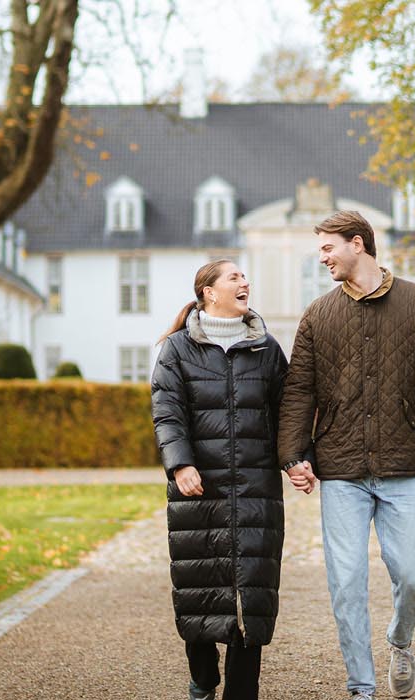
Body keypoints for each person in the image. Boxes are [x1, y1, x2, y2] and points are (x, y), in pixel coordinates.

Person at [277, 211, 415, 700]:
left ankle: (400, 641)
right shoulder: (317, 315)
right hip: (341, 467)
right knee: (346, 583)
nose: (321, 258)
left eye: (328, 248)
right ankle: (361, 687)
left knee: (413, 574)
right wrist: (292, 454)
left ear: (358, 244)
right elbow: (299, 390)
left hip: (405, 461)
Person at [151, 259, 315, 700]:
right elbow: (167, 412)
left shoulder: (266, 349)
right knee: (199, 590)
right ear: (208, 291)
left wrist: (297, 459)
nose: (246, 283)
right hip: (198, 489)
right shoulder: (177, 350)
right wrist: (180, 464)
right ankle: (203, 678)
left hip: (256, 490)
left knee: (252, 599)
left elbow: (288, 412)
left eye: (245, 277)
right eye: (234, 277)